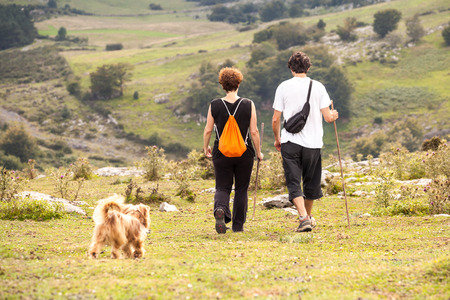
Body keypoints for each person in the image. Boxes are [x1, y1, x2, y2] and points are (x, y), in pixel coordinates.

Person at [271, 51, 339, 232]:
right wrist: (334, 114)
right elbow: (328, 118)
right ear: (308, 68)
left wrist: (278, 139)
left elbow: (276, 119)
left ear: (291, 68)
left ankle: (304, 218)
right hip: (313, 143)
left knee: (293, 181)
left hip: (290, 142)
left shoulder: (283, 87)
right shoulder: (318, 87)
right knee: (311, 182)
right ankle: (306, 218)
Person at [203, 67, 264, 234]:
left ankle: (220, 210)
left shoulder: (214, 104)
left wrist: (206, 147)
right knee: (241, 189)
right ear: (238, 83)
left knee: (222, 187)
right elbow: (254, 132)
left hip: (221, 152)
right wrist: (258, 152)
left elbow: (208, 130)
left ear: (222, 84)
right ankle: (238, 226)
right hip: (244, 153)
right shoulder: (248, 104)